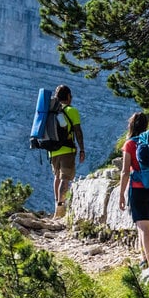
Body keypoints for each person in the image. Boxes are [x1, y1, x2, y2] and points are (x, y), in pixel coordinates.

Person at [118, 112, 149, 268]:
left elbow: (125, 172)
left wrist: (121, 195)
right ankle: (143, 259)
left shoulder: (130, 144)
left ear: (131, 125)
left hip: (138, 188)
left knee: (144, 227)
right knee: (141, 224)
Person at [49, 84, 85, 218]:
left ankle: (56, 205)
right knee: (65, 178)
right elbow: (78, 131)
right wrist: (82, 149)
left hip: (52, 150)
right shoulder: (71, 110)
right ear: (69, 97)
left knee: (57, 177)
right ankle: (60, 208)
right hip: (67, 149)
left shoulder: (52, 111)